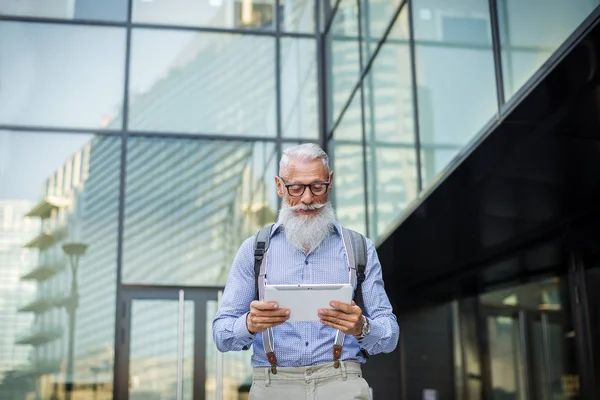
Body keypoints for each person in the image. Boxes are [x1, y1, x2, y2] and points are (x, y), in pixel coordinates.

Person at [212, 143, 399, 399]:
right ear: (279, 186)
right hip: (273, 385)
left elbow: (389, 335)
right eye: (296, 188)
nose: (307, 199)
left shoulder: (359, 248)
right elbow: (221, 335)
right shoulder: (254, 250)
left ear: (330, 182)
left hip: (342, 381)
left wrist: (362, 327)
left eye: (317, 187)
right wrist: (250, 324)